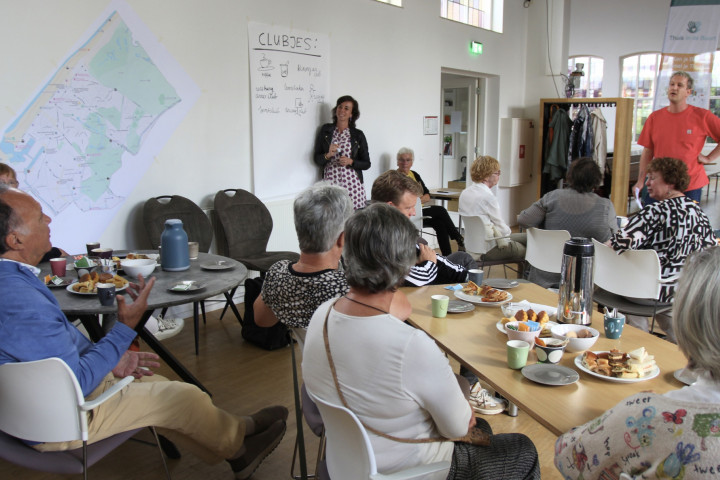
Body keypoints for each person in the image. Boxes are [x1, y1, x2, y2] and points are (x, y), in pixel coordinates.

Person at [0, 185, 287, 480]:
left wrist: (110, 359)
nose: (48, 220)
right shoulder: (20, 302)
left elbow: (54, 358)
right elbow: (79, 379)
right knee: (178, 397)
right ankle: (241, 450)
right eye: (38, 218)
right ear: (15, 239)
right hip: (55, 420)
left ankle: (240, 434)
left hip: (28, 405)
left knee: (163, 385)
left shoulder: (12, 281)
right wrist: (124, 329)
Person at [302, 203, 540, 479]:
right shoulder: (410, 344)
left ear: (345, 250)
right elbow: (458, 428)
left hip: (344, 462)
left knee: (483, 431)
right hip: (412, 470)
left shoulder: (322, 315)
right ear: (405, 263)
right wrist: (462, 406)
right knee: (522, 448)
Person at [554, 246, 720, 479]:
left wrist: (630, 409)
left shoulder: (649, 416)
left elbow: (567, 456)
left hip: (626, 289)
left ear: (690, 316)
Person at [254, 182, 411, 344]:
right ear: (344, 237)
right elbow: (404, 308)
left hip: (313, 365)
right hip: (355, 363)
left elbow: (262, 320)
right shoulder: (351, 288)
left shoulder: (277, 274)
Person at [610, 157, 716, 342]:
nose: (647, 183)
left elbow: (616, 245)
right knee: (674, 327)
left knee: (626, 283)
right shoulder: (699, 214)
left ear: (670, 182)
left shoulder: (655, 211)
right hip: (680, 292)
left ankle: (637, 340)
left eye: (653, 178)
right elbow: (709, 254)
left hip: (644, 291)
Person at [518, 157, 617, 287]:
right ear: (597, 180)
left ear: (570, 176)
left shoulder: (551, 197)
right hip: (585, 280)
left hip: (544, 273)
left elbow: (523, 220)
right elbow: (614, 240)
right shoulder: (605, 206)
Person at [371, 170, 476, 286]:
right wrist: (429, 262)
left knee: (462, 258)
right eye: (409, 207)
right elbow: (410, 277)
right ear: (390, 207)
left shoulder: (390, 228)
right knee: (465, 266)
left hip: (421, 274)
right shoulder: (377, 237)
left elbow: (422, 254)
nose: (413, 213)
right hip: (417, 286)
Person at [633, 71, 720, 203]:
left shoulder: (702, 116)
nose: (674, 88)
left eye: (680, 85)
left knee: (685, 223)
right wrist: (640, 181)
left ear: (688, 92)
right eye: (672, 84)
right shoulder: (654, 118)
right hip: (659, 186)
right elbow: (648, 152)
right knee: (653, 222)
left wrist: (708, 158)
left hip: (690, 185)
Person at [396, 147, 465, 256]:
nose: (405, 163)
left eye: (408, 160)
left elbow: (427, 195)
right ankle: (458, 238)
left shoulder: (414, 175)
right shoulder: (395, 177)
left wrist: (417, 200)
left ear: (412, 162)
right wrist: (418, 200)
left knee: (440, 223)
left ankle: (448, 257)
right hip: (408, 214)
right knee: (440, 210)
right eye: (401, 160)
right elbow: (403, 200)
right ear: (397, 162)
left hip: (420, 212)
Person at [459, 155, 527, 261]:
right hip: (488, 249)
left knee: (528, 238)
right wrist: (509, 237)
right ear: (486, 176)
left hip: (471, 246)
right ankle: (527, 277)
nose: (499, 176)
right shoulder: (488, 198)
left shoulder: (465, 193)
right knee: (529, 249)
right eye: (497, 173)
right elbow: (502, 229)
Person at [0, 162, 68, 262]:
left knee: (61, 254)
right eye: (1, 184)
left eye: (11, 182)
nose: (8, 187)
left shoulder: (24, 206)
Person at [314, 95, 370, 210]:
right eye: (340, 107)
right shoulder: (326, 130)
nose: (342, 111)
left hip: (352, 185)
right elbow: (317, 159)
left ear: (351, 114)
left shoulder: (358, 135)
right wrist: (328, 155)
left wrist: (351, 161)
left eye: (346, 108)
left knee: (353, 222)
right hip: (331, 183)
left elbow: (366, 164)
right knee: (332, 218)